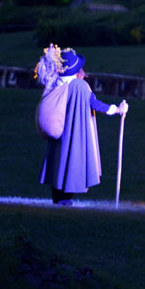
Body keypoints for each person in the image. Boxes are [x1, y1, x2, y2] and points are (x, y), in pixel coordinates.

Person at [35, 45, 128, 206]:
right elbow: (94, 103)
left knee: (58, 162)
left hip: (59, 133)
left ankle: (58, 199)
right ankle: (65, 200)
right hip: (72, 134)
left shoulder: (56, 83)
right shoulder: (79, 86)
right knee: (69, 162)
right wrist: (116, 110)